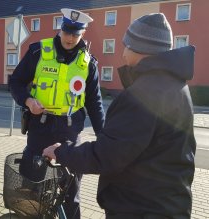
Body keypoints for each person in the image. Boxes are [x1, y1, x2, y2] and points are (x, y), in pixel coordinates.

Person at [43, 13, 196, 219]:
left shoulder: (144, 94)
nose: (123, 53)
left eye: (127, 46)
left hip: (139, 208)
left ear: (141, 49)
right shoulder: (176, 86)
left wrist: (62, 153)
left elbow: (107, 155)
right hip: (166, 203)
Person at [9, 8, 105, 219]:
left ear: (83, 34)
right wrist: (27, 101)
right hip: (40, 128)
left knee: (71, 193)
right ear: (60, 28)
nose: (70, 38)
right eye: (66, 31)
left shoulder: (88, 63)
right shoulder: (38, 51)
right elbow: (15, 82)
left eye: (75, 33)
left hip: (69, 133)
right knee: (32, 188)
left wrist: (104, 138)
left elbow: (94, 103)